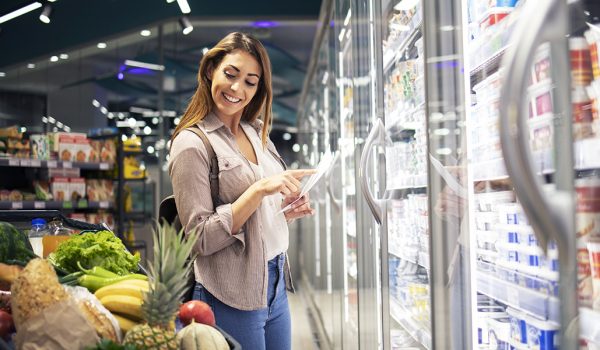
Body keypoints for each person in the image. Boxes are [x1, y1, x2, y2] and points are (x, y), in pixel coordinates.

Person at [168, 32, 315, 350]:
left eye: (250, 81)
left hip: (274, 280)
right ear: (211, 71)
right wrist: (259, 190)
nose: (237, 89)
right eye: (230, 74)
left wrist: (285, 211)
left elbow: (253, 218)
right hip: (229, 292)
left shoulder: (255, 132)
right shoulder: (192, 144)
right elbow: (199, 238)